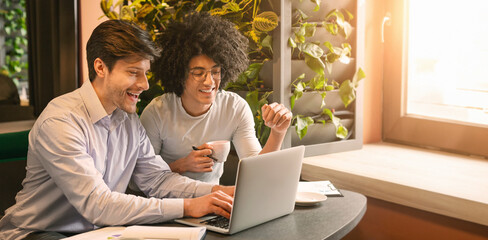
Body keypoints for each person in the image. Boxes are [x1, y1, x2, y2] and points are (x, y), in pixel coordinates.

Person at [0, 20, 235, 240]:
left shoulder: (128, 118)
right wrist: (188, 206)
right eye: (133, 72)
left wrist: (218, 191)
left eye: (145, 73)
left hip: (102, 232)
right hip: (40, 233)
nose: (144, 84)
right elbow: (97, 204)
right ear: (101, 67)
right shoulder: (61, 121)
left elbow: (157, 179)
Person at [139, 12, 292, 184]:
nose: (209, 81)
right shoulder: (157, 112)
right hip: (169, 206)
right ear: (179, 74)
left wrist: (278, 132)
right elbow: (141, 178)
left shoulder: (234, 107)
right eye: (198, 73)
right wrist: (182, 165)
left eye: (216, 72)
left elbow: (258, 170)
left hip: (214, 202)